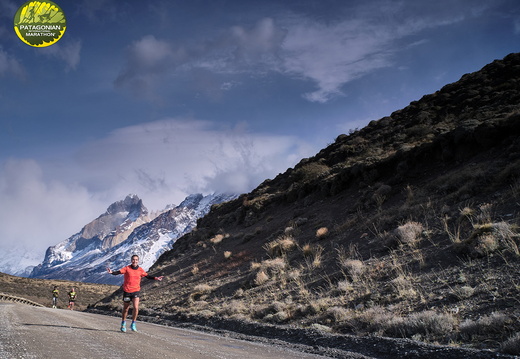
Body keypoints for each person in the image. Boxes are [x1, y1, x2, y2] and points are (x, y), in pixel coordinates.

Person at [107, 254, 164, 332]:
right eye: (133, 259)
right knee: (126, 309)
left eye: (136, 260)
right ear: (131, 260)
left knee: (136, 307)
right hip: (127, 291)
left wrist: (156, 278)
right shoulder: (127, 268)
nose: (135, 261)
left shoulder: (140, 270)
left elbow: (147, 276)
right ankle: (123, 323)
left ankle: (133, 323)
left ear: (138, 261)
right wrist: (112, 272)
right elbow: (118, 272)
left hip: (136, 291)